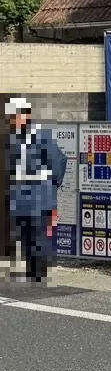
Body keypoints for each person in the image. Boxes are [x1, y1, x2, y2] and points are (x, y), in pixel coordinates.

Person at [6, 98, 67, 284]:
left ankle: (38, 273)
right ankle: (31, 269)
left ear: (26, 116)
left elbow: (59, 161)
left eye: (16, 116)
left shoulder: (41, 136)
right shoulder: (13, 139)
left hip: (39, 194)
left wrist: (53, 185)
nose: (13, 120)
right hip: (20, 194)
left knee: (38, 234)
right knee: (24, 235)